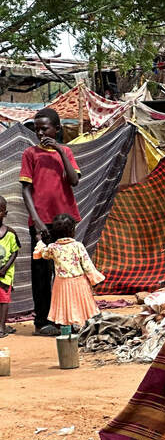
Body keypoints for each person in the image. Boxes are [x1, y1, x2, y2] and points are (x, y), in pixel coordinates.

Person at [20, 108, 81, 336]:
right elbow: (26, 189)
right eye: (37, 129)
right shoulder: (30, 154)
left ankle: (66, 318)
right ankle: (42, 321)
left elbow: (73, 180)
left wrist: (59, 150)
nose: (40, 133)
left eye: (44, 128)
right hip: (41, 223)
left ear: (57, 129)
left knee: (67, 272)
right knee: (41, 273)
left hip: (65, 222)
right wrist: (36, 221)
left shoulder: (65, 152)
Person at [31, 213, 104, 335]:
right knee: (80, 305)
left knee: (65, 306)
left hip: (61, 285)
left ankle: (66, 330)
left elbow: (42, 253)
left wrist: (39, 239)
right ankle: (82, 328)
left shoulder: (53, 248)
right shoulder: (78, 246)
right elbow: (87, 265)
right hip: (79, 283)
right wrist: (94, 279)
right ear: (72, 230)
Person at [0, 197, 20, 337]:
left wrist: (5, 268)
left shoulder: (11, 233)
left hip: (4, 275)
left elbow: (15, 251)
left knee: (3, 301)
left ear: (5, 213)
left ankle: (1, 327)